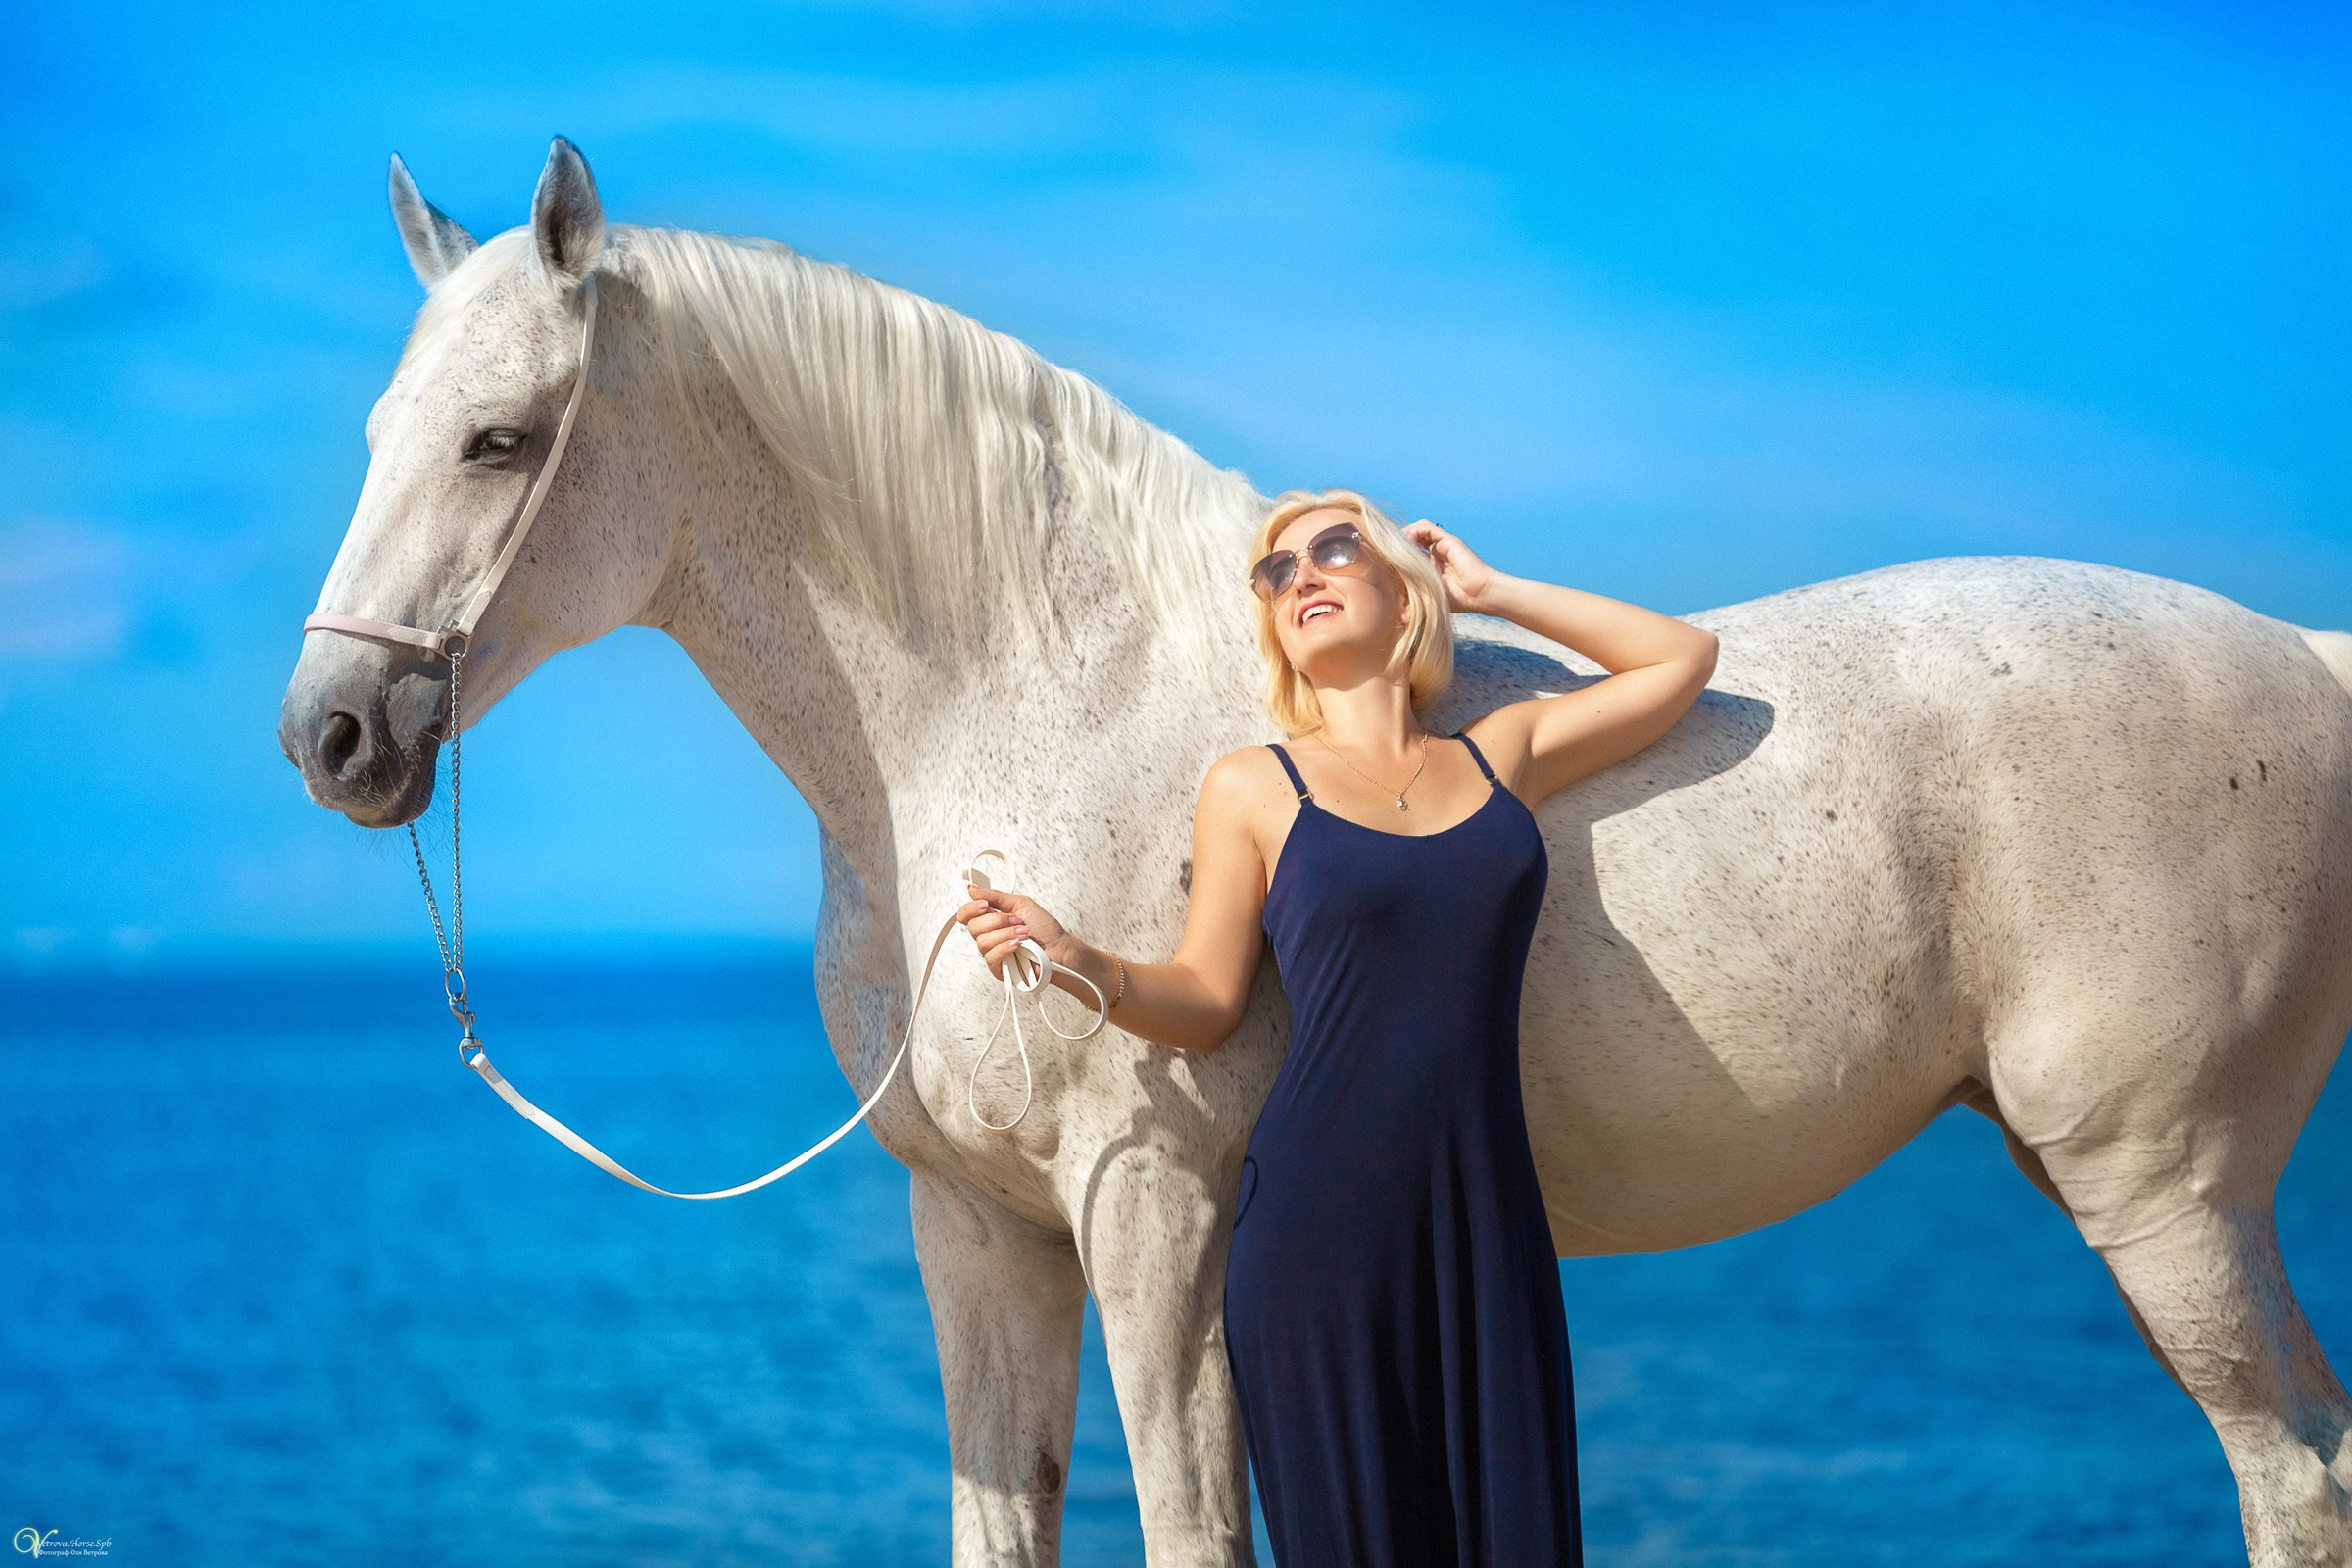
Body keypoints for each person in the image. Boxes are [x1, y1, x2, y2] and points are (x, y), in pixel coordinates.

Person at [956, 488, 1718, 1566]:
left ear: (1402, 593)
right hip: (1318, 1238)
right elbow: (1210, 1003)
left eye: (1333, 549)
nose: (1300, 575)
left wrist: (1494, 593)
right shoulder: (1254, 787)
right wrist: (1080, 960)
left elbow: (1683, 657)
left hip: (1489, 1229)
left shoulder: (1508, 753)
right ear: (1272, 624)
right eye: (1276, 573)